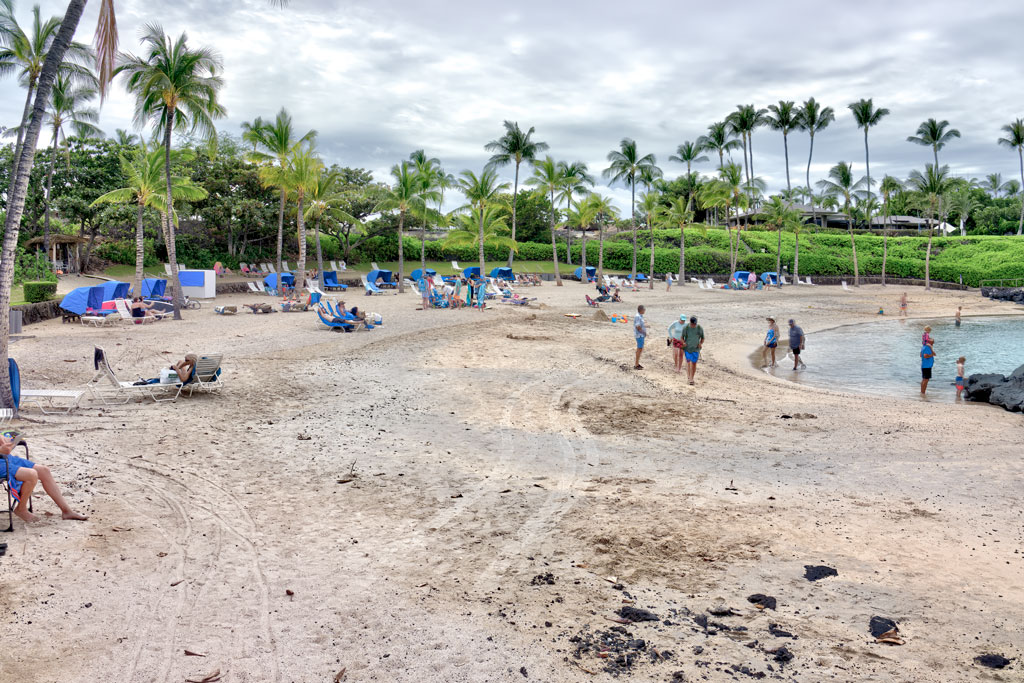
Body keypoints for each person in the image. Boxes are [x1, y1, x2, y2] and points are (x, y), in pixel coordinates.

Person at [1, 433, 88, 523]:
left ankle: (67, 511)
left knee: (44, 471)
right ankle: (21, 508)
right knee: (31, 474)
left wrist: (8, 441)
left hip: (5, 459)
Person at [682, 315, 705, 385]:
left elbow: (703, 338)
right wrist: (683, 342)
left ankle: (692, 377)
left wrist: (700, 343)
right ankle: (689, 378)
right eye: (693, 324)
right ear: (690, 323)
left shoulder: (699, 328)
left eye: (695, 323)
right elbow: (681, 337)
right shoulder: (686, 328)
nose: (694, 325)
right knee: (688, 362)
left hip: (696, 349)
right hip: (687, 348)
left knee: (694, 363)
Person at [633, 305, 647, 370]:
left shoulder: (640, 316)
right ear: (641, 310)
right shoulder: (638, 316)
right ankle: (636, 364)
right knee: (639, 348)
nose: (645, 311)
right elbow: (638, 326)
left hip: (640, 335)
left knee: (640, 348)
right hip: (639, 335)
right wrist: (643, 332)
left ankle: (637, 363)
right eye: (644, 310)